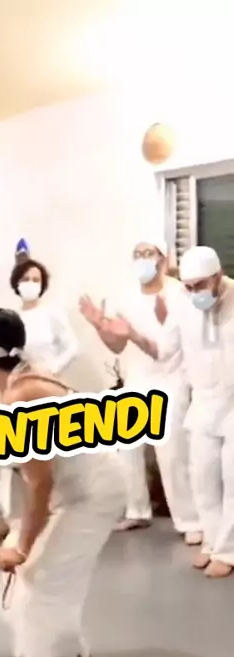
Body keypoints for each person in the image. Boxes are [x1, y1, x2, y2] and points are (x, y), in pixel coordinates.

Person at [0, 307, 124, 657]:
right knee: (29, 572)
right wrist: (11, 526)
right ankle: (46, 646)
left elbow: (39, 483)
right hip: (75, 488)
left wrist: (21, 547)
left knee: (45, 579)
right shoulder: (17, 379)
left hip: (93, 494)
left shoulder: (22, 397)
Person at [119, 246, 234, 578]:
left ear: (217, 276)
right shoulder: (183, 303)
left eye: (201, 285)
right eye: (188, 286)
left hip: (233, 403)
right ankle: (212, 542)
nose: (194, 292)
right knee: (202, 478)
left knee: (231, 479)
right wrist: (133, 335)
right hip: (203, 403)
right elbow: (164, 351)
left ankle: (228, 551)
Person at [79, 238, 201, 545]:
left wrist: (133, 333)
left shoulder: (178, 293)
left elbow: (163, 350)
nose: (142, 258)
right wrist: (98, 326)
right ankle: (137, 510)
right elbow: (117, 345)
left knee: (171, 454)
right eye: (137, 253)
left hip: (171, 379)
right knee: (127, 447)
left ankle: (190, 520)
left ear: (161, 257)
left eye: (148, 252)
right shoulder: (126, 297)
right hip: (137, 379)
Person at [10, 259, 79, 378]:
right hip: (21, 382)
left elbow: (73, 346)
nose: (30, 283)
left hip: (49, 381)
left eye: (36, 280)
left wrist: (52, 368)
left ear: (42, 285)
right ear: (17, 283)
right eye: (25, 279)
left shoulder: (52, 312)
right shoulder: (12, 318)